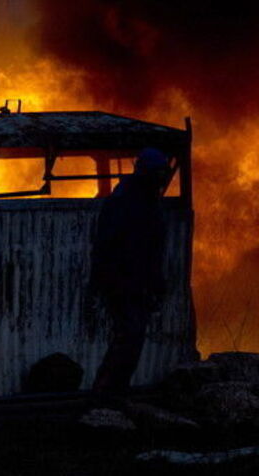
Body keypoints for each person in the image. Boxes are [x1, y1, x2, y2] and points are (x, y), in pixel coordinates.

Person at [91, 148, 170, 398]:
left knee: (131, 336)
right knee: (129, 335)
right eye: (158, 172)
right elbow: (112, 243)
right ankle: (107, 393)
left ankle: (112, 391)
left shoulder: (144, 198)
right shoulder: (128, 201)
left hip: (135, 281)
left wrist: (154, 282)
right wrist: (113, 279)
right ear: (146, 172)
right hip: (124, 281)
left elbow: (151, 249)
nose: (161, 178)